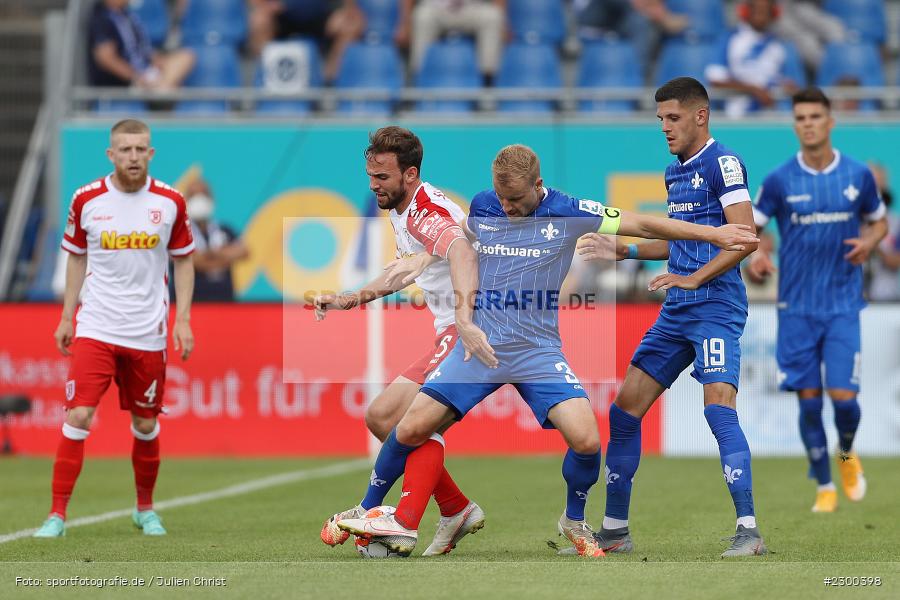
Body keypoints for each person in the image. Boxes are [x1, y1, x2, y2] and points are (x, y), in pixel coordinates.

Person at [335, 142, 759, 558]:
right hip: (482, 346)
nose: (507, 207)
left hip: (538, 352)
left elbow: (643, 224)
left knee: (588, 440)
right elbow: (459, 238)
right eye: (501, 197)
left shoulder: (569, 211)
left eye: (516, 199)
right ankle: (372, 509)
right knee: (407, 427)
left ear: (539, 185)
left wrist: (712, 232)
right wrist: (424, 259)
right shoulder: (485, 205)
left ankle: (573, 520)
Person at [579, 77, 766, 557]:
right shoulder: (674, 171)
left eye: (673, 118)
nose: (664, 127)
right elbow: (683, 237)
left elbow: (744, 237)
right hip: (678, 308)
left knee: (717, 408)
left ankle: (749, 531)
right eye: (659, 118)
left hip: (716, 305)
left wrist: (695, 279)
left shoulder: (723, 163)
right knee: (624, 410)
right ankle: (615, 532)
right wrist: (627, 250)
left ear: (700, 116)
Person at [314, 126, 494, 556]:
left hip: (471, 329)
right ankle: (454, 508)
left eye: (382, 177)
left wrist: (465, 319)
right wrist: (348, 299)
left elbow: (459, 250)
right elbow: (402, 269)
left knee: (411, 424)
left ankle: (392, 521)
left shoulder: (425, 212)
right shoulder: (406, 207)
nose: (373, 185)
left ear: (410, 173)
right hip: (453, 329)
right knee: (382, 418)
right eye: (370, 175)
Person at [32, 119, 195, 538]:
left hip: (148, 332)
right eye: (125, 149)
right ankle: (56, 516)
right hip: (96, 326)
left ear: (151, 153)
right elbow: (74, 257)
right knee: (79, 414)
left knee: (144, 423)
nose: (134, 156)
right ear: (111, 154)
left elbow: (183, 259)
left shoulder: (170, 201)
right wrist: (68, 315)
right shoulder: (87, 199)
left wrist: (184, 319)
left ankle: (145, 508)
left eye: (141, 149)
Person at [747, 87, 887, 513]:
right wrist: (757, 254)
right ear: (795, 125)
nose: (807, 124)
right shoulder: (779, 179)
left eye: (814, 117)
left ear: (830, 122)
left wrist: (869, 243)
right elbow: (751, 230)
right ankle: (824, 486)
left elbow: (879, 224)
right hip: (796, 309)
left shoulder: (858, 175)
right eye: (800, 118)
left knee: (844, 399)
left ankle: (845, 452)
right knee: (808, 401)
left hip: (843, 306)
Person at [705, 0, 799, 118]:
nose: (761, 15)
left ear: (774, 13)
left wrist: (787, 87)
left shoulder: (782, 45)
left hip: (772, 114)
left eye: (766, 11)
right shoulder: (729, 40)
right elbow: (715, 79)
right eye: (756, 9)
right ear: (745, 11)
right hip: (735, 115)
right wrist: (753, 90)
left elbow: (794, 84)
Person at [88, 0, 195, 90]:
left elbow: (141, 49)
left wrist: (157, 60)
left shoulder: (128, 15)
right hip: (127, 82)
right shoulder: (102, 18)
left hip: (147, 72)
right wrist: (135, 77)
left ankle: (160, 90)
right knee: (171, 88)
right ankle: (161, 92)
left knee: (186, 57)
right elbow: (105, 58)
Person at [248, 0, 365, 82]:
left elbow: (349, 7)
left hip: (322, 16)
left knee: (351, 24)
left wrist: (344, 11)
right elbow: (256, 3)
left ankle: (329, 83)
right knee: (259, 20)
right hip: (282, 16)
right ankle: (264, 77)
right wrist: (269, 6)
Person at [409, 0, 506, 86]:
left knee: (492, 16)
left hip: (471, 7)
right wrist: (404, 25)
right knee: (422, 16)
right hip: (436, 7)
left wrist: (504, 25)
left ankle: (488, 83)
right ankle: (416, 82)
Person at [183, 179, 249, 302]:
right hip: (191, 304)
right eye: (193, 195)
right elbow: (190, 261)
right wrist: (225, 257)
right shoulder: (179, 232)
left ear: (211, 198)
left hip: (225, 302)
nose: (199, 200)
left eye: (203, 194)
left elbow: (244, 252)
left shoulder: (225, 229)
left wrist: (209, 255)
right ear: (186, 200)